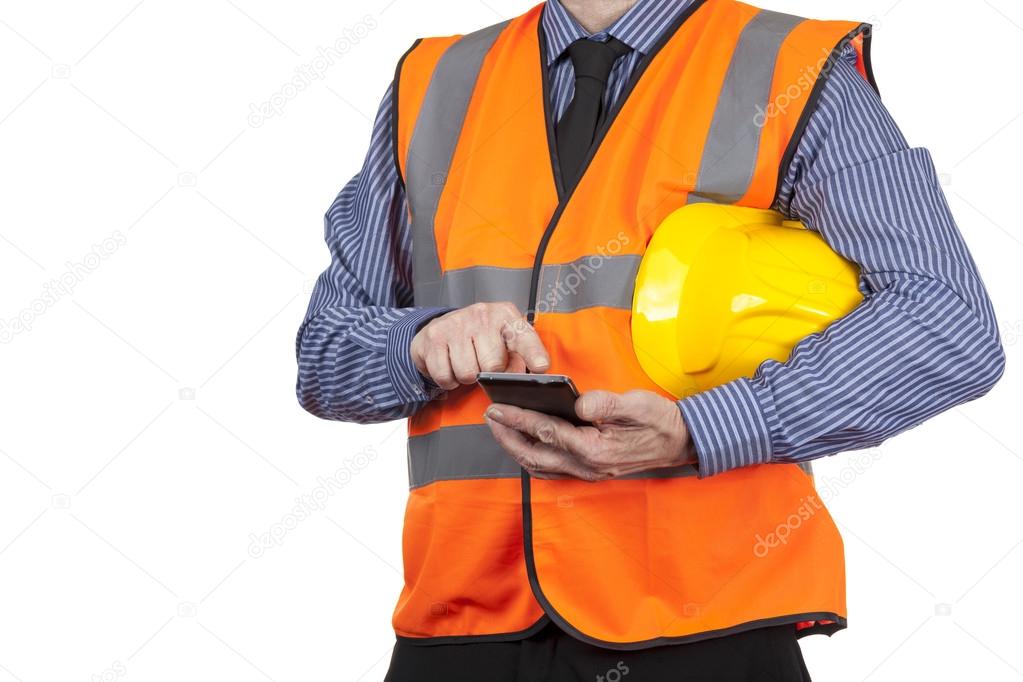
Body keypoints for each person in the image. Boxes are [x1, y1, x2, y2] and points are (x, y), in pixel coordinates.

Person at [296, 0, 1005, 679]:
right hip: (461, 619)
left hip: (703, 621)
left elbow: (945, 322)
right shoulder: (436, 80)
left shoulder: (785, 67)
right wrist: (420, 343)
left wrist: (703, 429)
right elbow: (324, 356)